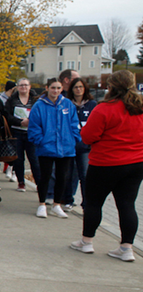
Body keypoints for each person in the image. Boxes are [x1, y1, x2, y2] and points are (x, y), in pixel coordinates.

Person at [70, 70, 143, 262]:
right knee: (127, 205)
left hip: (106, 162)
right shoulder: (140, 108)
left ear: (111, 87)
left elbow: (87, 136)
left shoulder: (104, 108)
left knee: (94, 203)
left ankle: (87, 241)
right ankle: (127, 247)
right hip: (136, 162)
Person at [28, 78, 80, 219]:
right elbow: (34, 126)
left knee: (62, 177)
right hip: (46, 147)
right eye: (53, 88)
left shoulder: (68, 104)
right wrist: (41, 140)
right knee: (45, 176)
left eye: (58, 88)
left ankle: (57, 205)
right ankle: (42, 204)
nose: (55, 91)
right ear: (47, 88)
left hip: (66, 147)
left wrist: (74, 138)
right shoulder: (39, 106)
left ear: (62, 88)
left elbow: (75, 123)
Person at [60, 78, 97, 209]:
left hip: (85, 147)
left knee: (85, 175)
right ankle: (67, 200)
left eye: (81, 87)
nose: (78, 89)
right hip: (69, 145)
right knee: (67, 174)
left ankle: (87, 203)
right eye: (76, 87)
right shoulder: (66, 104)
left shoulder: (92, 105)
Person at [5, 78, 38, 192]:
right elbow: (7, 115)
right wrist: (19, 122)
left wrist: (29, 121)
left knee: (33, 158)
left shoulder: (35, 100)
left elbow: (39, 114)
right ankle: (21, 182)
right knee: (18, 159)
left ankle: (38, 182)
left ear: (29, 87)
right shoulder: (12, 100)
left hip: (31, 132)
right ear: (17, 87)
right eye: (21, 85)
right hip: (16, 131)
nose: (23, 87)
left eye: (26, 85)